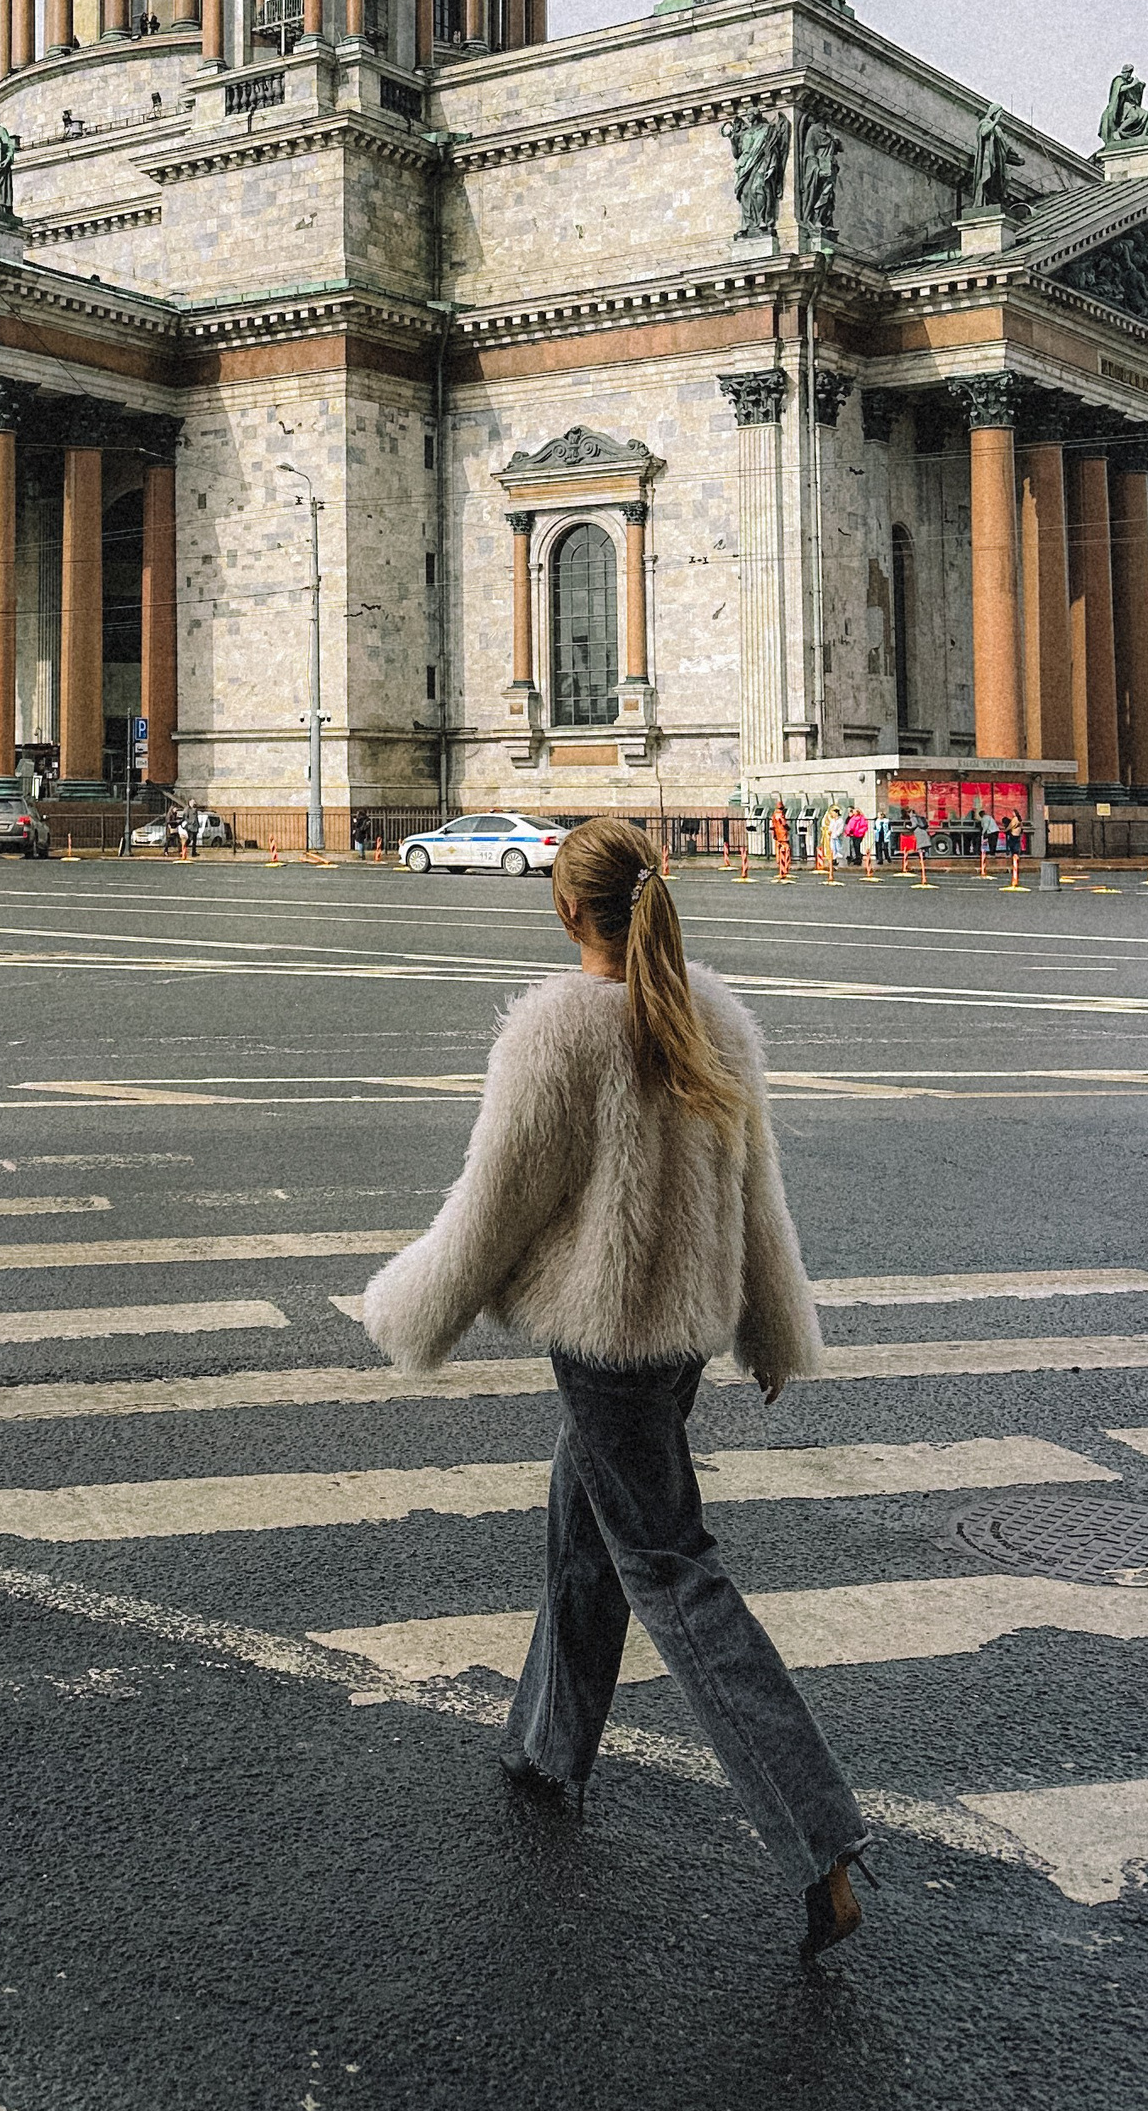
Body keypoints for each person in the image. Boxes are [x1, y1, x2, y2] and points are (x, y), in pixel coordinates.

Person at [359, 813, 874, 1964]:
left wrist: (409, 1308)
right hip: (680, 1330)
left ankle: (820, 1837)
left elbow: (491, 1204)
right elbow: (756, 1197)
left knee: (669, 1567)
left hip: (602, 1334)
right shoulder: (714, 1014)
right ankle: (548, 1741)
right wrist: (772, 1331)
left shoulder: (555, 1029)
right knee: (585, 1527)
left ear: (564, 905)